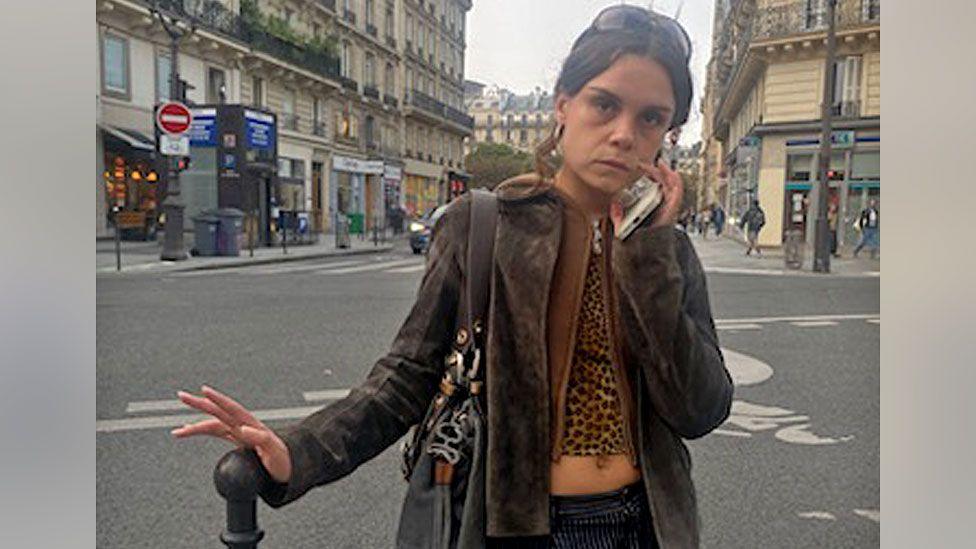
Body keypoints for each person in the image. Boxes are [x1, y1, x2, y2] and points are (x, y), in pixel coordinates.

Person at [172, 6, 732, 548]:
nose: (623, 134)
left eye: (651, 118)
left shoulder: (666, 251)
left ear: (669, 134)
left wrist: (650, 255)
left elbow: (700, 409)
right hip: (513, 528)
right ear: (563, 106)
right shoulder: (485, 224)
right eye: (604, 105)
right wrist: (301, 450)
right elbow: (408, 374)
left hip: (647, 526)